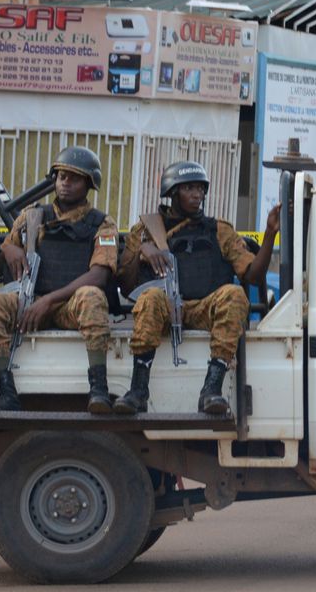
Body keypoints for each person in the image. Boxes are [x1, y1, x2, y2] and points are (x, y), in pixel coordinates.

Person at [117, 161, 280, 415]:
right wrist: (141, 251)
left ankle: (211, 389)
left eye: (201, 189)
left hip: (206, 309)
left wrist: (269, 233)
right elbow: (125, 284)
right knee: (149, 298)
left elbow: (253, 275)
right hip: (166, 309)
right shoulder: (146, 230)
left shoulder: (219, 230)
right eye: (189, 188)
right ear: (172, 194)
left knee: (234, 294)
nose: (197, 195)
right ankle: (138, 390)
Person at [0, 146, 119, 413]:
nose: (65, 183)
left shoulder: (102, 223)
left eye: (74, 178)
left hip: (68, 306)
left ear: (89, 184)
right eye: (61, 176)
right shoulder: (33, 216)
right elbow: (4, 260)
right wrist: (9, 249)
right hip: (29, 301)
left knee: (92, 296)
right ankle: (6, 391)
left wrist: (49, 302)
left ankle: (99, 389)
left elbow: (99, 274)